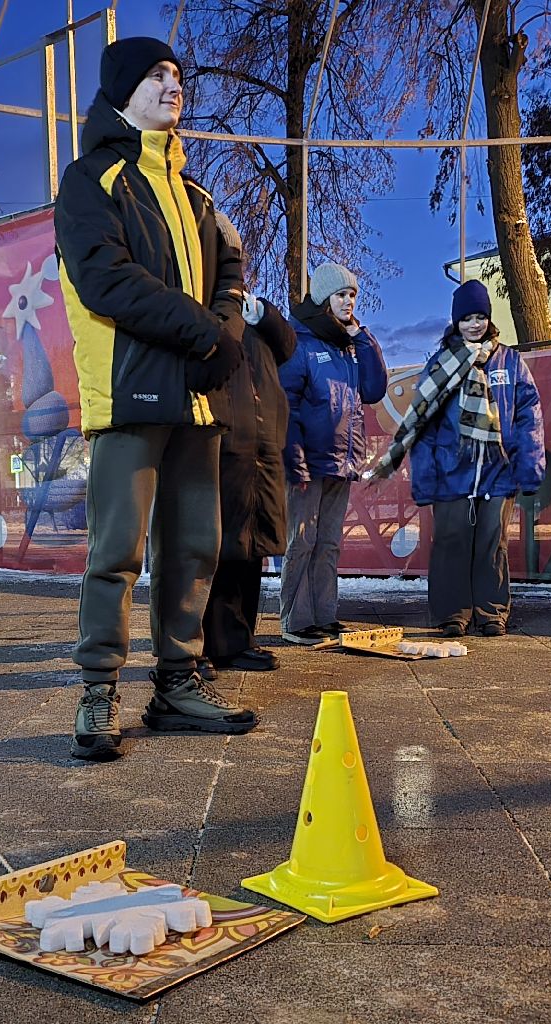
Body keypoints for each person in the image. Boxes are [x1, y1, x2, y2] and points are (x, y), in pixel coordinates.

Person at [53, 36, 257, 762]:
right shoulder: (90, 180)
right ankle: (98, 689)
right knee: (116, 551)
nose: (173, 86)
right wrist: (209, 333)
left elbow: (230, 267)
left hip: (196, 399)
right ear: (121, 92)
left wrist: (227, 328)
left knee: (196, 546)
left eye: (177, 75)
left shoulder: (196, 194)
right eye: (156, 76)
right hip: (131, 395)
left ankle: (178, 681)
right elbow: (107, 280)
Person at [364, 279, 544, 637]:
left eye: (480, 317)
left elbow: (529, 414)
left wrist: (529, 465)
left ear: (489, 319)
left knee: (492, 544)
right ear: (456, 322)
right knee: (450, 543)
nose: (474, 324)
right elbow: (423, 425)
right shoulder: (440, 365)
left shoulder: (509, 361)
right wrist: (425, 480)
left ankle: (491, 612)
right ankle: (452, 613)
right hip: (451, 472)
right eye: (467, 318)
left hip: (498, 470)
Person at [199, 213, 297, 679]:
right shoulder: (206, 305)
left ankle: (240, 639)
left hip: (263, 445)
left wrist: (263, 312)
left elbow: (288, 345)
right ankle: (214, 641)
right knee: (224, 546)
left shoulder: (253, 313)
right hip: (227, 441)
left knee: (255, 545)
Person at [278, 262, 387, 644]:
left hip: (343, 460)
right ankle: (296, 620)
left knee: (329, 543)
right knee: (302, 541)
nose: (349, 302)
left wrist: (364, 339)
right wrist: (294, 458)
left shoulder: (347, 346)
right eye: (342, 295)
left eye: (353, 295)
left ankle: (324, 616)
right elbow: (286, 404)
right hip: (308, 463)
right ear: (324, 299)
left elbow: (373, 390)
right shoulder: (300, 344)